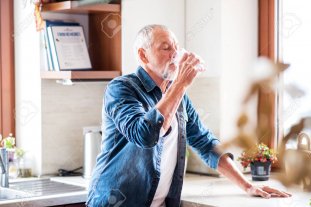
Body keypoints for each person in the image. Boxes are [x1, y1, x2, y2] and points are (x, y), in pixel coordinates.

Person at [86, 24, 291, 207]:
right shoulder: (121, 88)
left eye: (176, 47)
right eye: (166, 48)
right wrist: (180, 84)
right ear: (143, 55)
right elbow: (145, 135)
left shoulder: (178, 96)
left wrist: (247, 186)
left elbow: (204, 142)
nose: (175, 54)